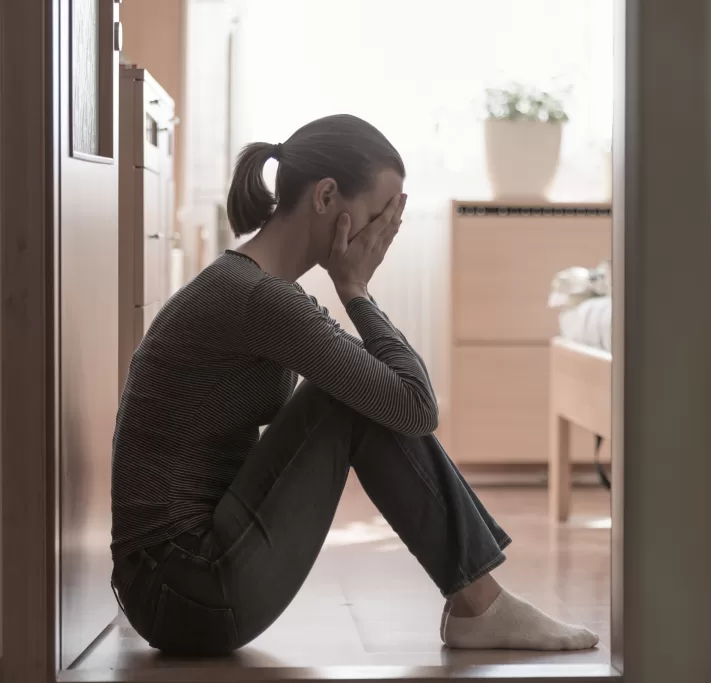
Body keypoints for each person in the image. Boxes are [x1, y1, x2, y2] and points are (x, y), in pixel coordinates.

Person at [109, 114, 598, 657]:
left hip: (175, 587)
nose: (379, 235)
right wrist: (355, 288)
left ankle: (479, 602)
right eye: (375, 216)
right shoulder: (257, 299)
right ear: (325, 198)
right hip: (183, 591)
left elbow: (400, 401)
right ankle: (480, 604)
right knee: (350, 397)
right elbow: (415, 407)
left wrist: (354, 290)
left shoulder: (255, 289)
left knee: (360, 389)